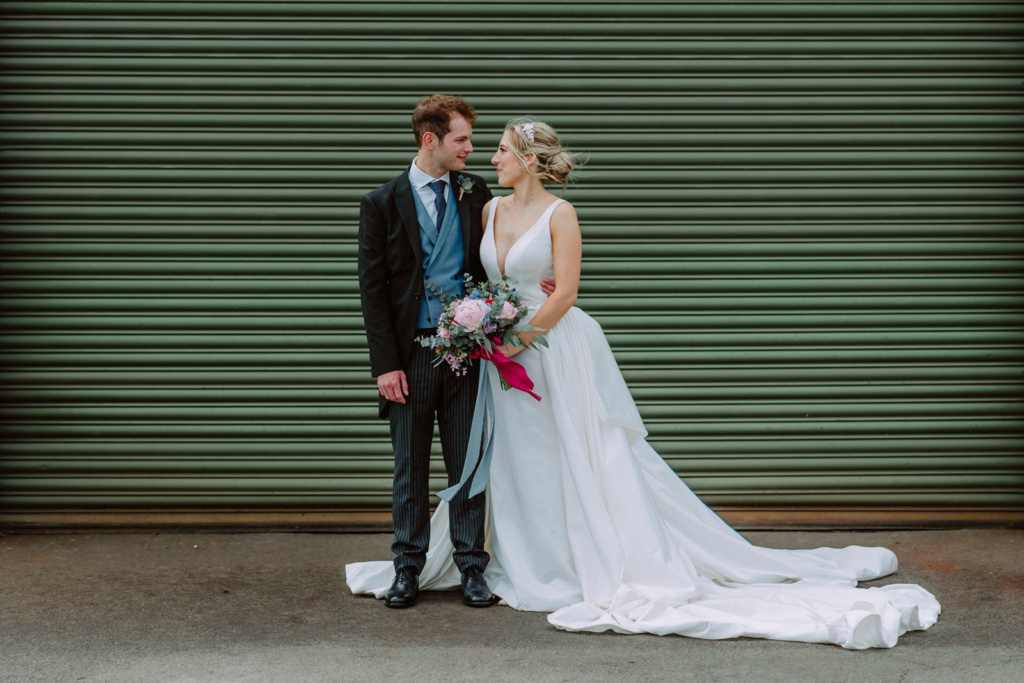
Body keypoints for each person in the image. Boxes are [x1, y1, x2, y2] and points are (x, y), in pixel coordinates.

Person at [348, 118, 941, 648]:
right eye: (472, 143)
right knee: (505, 457)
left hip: (543, 348)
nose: (483, 156)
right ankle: (475, 556)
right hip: (489, 350)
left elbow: (569, 289)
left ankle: (531, 561)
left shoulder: (552, 211)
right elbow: (464, 273)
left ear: (527, 160)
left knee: (572, 451)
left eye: (497, 148)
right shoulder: (483, 205)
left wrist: (522, 330)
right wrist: (485, 327)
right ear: (434, 140)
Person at [355, 94, 498, 608]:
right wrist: (385, 365)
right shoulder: (381, 203)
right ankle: (407, 568)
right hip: (410, 356)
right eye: (461, 138)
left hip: (465, 353)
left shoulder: (474, 191)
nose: (471, 148)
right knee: (409, 468)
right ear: (430, 139)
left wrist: (539, 279)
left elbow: (497, 256)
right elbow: (372, 290)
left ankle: (471, 569)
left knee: (466, 465)